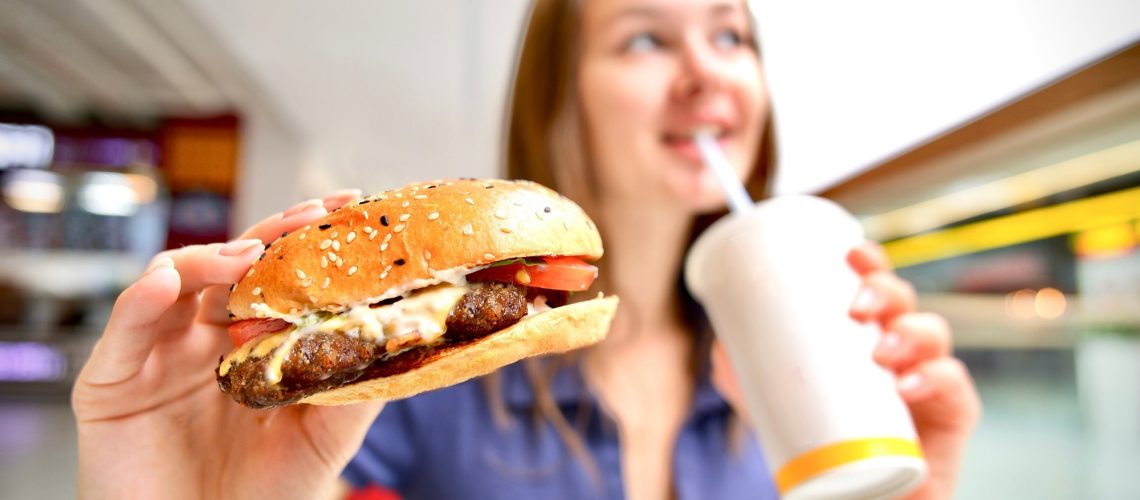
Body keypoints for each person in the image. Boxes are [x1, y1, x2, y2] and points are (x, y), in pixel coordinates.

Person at [72, 0, 981, 498]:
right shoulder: (407, 398)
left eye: (730, 32)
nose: (706, 70)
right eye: (645, 38)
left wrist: (918, 488)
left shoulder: (801, 373)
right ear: (562, 99)